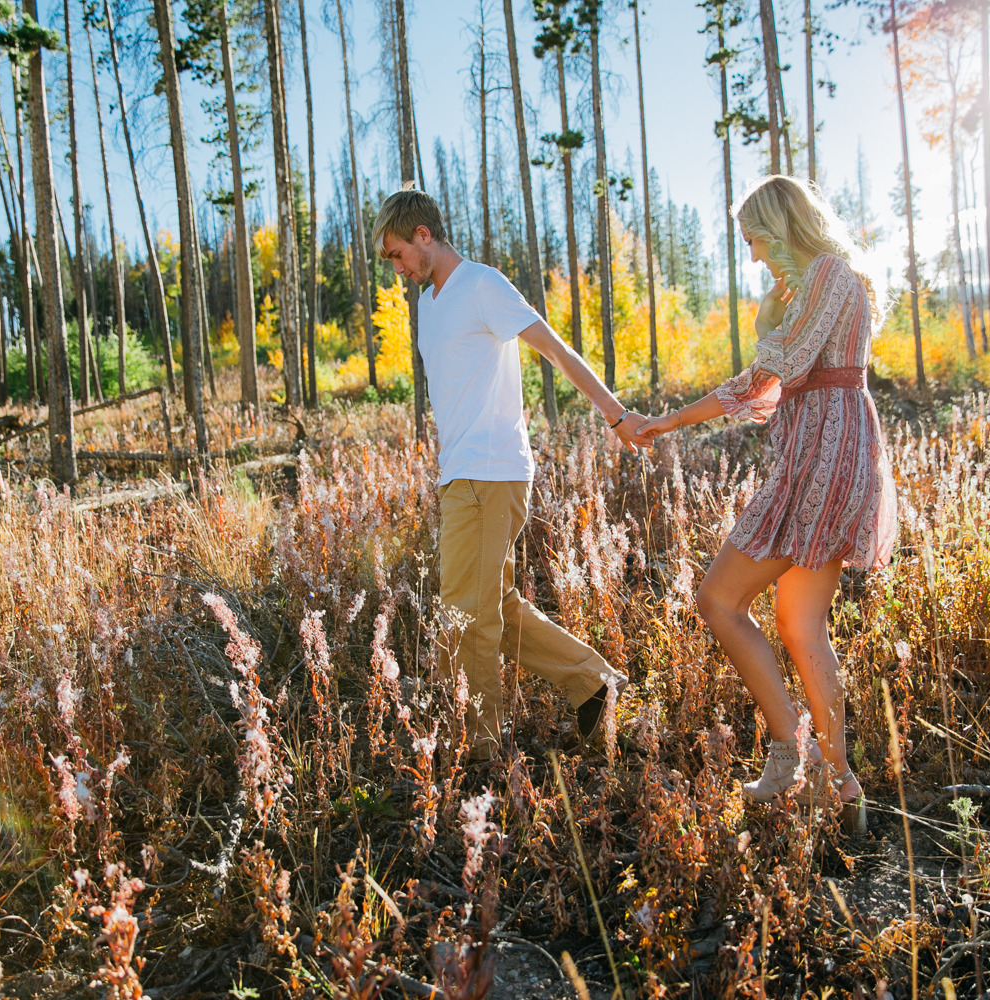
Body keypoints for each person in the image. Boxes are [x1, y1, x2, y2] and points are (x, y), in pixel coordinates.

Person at [636, 175, 897, 806]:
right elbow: (785, 370)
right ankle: (837, 784)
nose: (751, 254)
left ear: (781, 228)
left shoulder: (831, 274)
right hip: (825, 456)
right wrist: (775, 313)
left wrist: (668, 420)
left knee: (719, 600)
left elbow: (771, 374)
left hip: (824, 465)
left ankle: (791, 757)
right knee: (800, 625)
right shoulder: (814, 285)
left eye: (754, 238)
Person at [371, 189, 647, 762]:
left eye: (398, 254)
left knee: (463, 612)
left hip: (492, 473)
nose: (397, 269)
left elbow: (555, 350)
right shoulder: (432, 305)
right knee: (494, 603)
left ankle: (479, 753)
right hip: (461, 477)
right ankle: (593, 683)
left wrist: (615, 415)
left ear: (424, 234)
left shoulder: (481, 285)